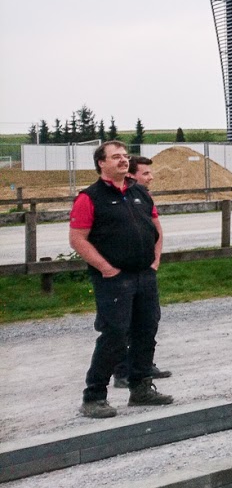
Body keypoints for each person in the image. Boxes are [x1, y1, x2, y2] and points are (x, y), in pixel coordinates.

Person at [70, 141, 174, 418]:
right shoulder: (89, 198)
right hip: (114, 280)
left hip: (144, 275)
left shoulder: (139, 191)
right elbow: (77, 239)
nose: (123, 161)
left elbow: (156, 228)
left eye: (125, 156)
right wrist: (105, 268)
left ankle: (140, 388)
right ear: (101, 163)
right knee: (114, 335)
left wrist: (155, 260)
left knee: (146, 330)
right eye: (115, 157)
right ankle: (94, 396)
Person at [113, 155, 172, 388]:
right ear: (131, 175)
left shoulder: (143, 197)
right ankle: (122, 371)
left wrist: (155, 260)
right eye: (145, 173)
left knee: (149, 320)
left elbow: (157, 230)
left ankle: (143, 365)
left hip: (146, 270)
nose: (151, 177)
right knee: (123, 323)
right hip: (122, 273)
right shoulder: (118, 198)